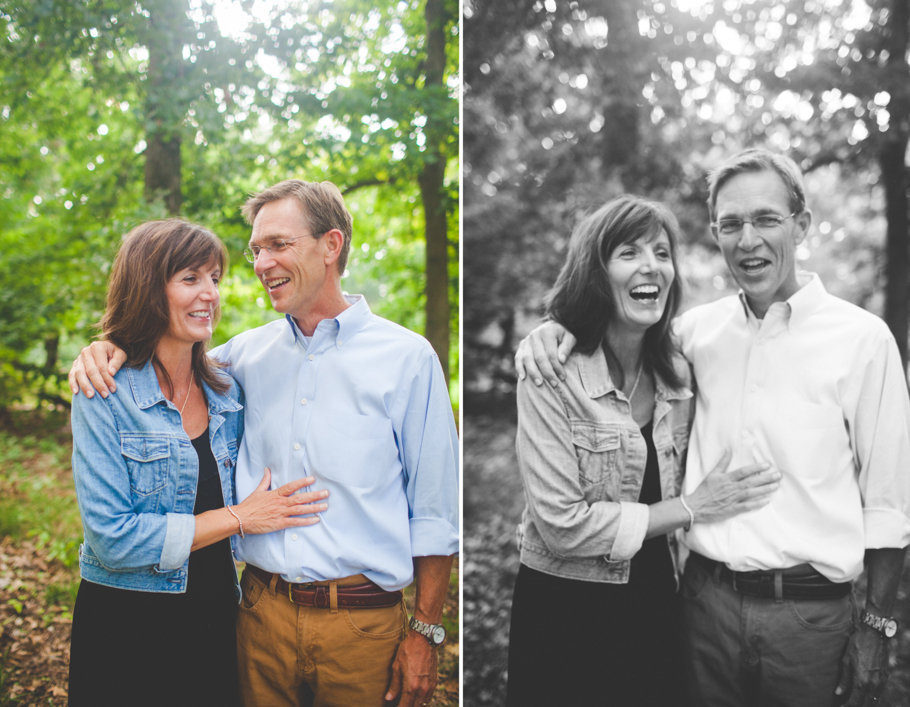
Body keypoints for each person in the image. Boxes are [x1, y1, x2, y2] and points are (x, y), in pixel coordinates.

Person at [515, 148, 910, 707]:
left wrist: (877, 626)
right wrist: (551, 331)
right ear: (717, 235)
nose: (748, 239)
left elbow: (890, 504)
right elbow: (613, 325)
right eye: (731, 224)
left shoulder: (865, 342)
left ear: (801, 225)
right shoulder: (692, 337)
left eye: (766, 219)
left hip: (810, 616)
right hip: (701, 605)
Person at [69, 180, 459, 707]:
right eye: (255, 250)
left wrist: (426, 631)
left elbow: (436, 510)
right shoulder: (243, 358)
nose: (260, 262)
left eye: (278, 244)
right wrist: (105, 346)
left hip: (362, 628)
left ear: (330, 244)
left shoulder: (408, 359)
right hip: (256, 619)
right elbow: (161, 346)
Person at [506, 194, 781, 707]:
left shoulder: (679, 370)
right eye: (628, 252)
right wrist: (692, 508)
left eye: (661, 252)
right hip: (566, 606)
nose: (651, 265)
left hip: (656, 597)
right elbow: (561, 524)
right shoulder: (550, 373)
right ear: (596, 271)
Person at [68, 220, 328, 707]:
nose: (210, 294)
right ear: (147, 288)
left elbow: (311, 364)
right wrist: (237, 518)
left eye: (215, 278)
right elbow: (111, 537)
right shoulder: (105, 392)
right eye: (190, 279)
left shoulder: (228, 387)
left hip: (215, 613)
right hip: (127, 622)